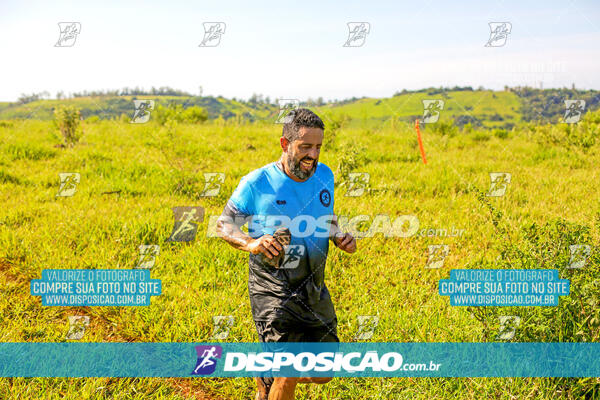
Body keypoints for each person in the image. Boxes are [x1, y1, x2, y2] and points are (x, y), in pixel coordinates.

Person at [217, 108, 357, 400]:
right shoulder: (257, 183)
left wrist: (338, 235)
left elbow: (326, 216)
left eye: (318, 146)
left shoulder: (325, 175)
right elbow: (224, 224)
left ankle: (266, 374)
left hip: (313, 286)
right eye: (305, 146)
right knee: (289, 369)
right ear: (285, 144)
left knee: (324, 370)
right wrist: (251, 243)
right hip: (273, 287)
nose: (313, 154)